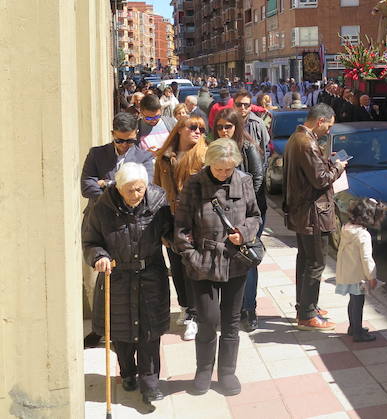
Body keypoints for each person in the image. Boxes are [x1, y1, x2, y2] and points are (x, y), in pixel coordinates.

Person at [174, 139, 261, 396]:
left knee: (231, 322)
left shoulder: (244, 181)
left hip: (235, 261)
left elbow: (255, 215)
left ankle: (227, 372)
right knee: (208, 320)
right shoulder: (194, 183)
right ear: (208, 163)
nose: (224, 173)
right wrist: (191, 256)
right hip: (203, 261)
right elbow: (180, 227)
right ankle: (203, 370)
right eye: (219, 169)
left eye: (229, 169)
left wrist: (244, 233)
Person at [82, 162, 172, 406]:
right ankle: (128, 373)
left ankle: (150, 383)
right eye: (130, 190)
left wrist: (175, 238)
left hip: (151, 276)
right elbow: (90, 241)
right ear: (119, 188)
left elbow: (171, 230)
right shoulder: (102, 207)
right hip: (117, 276)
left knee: (150, 333)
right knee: (121, 332)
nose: (136, 195)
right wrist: (99, 257)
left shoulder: (158, 202)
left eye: (140, 189)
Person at [282, 103, 348, 331]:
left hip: (303, 211)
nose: (328, 131)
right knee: (315, 263)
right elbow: (320, 179)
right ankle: (307, 315)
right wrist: (338, 167)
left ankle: (306, 306)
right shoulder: (307, 143)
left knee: (306, 260)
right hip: (312, 213)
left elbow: (311, 172)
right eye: (328, 126)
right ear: (320, 121)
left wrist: (327, 161)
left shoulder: (297, 138)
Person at [154, 115, 208, 341]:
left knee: (192, 268)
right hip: (172, 219)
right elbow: (157, 189)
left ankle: (194, 316)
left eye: (201, 128)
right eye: (192, 127)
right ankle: (186, 307)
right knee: (176, 267)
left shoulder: (204, 155)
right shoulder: (164, 157)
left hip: (197, 221)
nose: (197, 131)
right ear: (179, 130)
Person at [212, 109, 266, 331]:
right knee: (228, 258)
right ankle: (232, 307)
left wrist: (243, 203)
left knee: (248, 258)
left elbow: (258, 176)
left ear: (237, 127)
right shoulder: (215, 148)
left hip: (249, 213)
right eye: (220, 127)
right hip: (222, 214)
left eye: (228, 126)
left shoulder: (247, 146)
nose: (224, 131)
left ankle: (249, 308)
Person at [334, 197, 387, 342]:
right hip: (358, 276)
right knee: (358, 303)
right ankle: (358, 333)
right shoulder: (363, 235)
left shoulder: (346, 228)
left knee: (352, 302)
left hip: (346, 273)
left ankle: (353, 327)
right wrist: (372, 277)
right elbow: (367, 259)